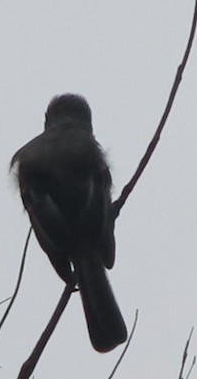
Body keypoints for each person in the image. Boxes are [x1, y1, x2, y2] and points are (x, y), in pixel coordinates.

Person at [10, 94, 128, 352]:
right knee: (92, 265)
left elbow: (39, 212)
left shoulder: (29, 158)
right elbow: (99, 198)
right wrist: (105, 231)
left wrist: (62, 261)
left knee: (86, 266)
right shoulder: (88, 150)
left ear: (47, 120)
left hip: (58, 236)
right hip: (93, 230)